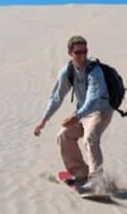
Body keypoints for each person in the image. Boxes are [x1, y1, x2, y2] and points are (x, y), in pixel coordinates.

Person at [34, 36, 114, 193]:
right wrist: (44, 120)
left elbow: (93, 99)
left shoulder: (94, 71)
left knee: (90, 137)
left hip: (101, 111)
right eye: (78, 52)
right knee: (64, 135)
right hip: (82, 114)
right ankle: (80, 173)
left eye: (85, 51)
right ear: (70, 53)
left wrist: (77, 116)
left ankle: (96, 180)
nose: (83, 55)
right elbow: (56, 97)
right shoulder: (68, 71)